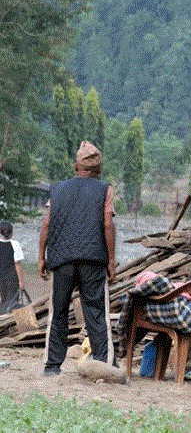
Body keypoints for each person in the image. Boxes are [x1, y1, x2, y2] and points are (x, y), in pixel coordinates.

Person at [38, 141, 116, 377]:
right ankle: (103, 365)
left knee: (58, 312)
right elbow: (107, 224)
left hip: (61, 259)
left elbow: (47, 224)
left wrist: (41, 257)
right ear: (98, 169)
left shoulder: (57, 189)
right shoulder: (105, 189)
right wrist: (111, 261)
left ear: (76, 166)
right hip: (93, 259)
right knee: (95, 312)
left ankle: (52, 367)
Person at [0, 220, 26, 314]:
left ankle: (2, 319)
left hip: (1, 278)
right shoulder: (15, 244)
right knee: (13, 302)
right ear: (12, 232)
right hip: (12, 278)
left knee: (4, 300)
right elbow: (17, 265)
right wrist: (21, 281)